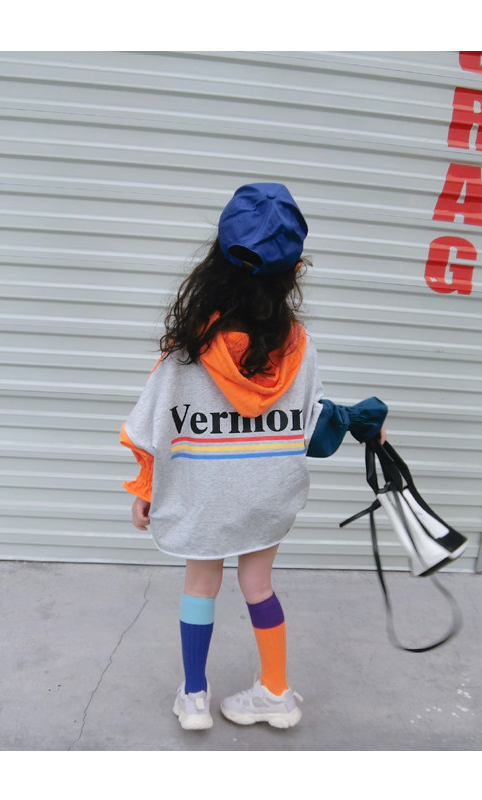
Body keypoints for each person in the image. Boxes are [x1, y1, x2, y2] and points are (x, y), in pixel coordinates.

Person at [120, 183, 387, 730]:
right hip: (265, 493)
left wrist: (146, 488)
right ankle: (276, 692)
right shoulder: (299, 347)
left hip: (204, 495)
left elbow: (151, 427)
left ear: (217, 262)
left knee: (200, 585)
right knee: (259, 586)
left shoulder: (188, 350)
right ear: (294, 272)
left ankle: (195, 697)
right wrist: (362, 421)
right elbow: (313, 427)